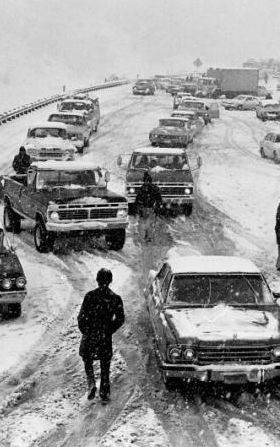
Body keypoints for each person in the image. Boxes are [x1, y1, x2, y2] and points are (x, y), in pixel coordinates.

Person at [78, 268, 125, 403]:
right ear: (110, 281)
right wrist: (109, 329)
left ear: (97, 280)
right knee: (105, 365)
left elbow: (81, 317)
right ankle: (104, 393)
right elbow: (120, 319)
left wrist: (86, 330)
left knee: (87, 360)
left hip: (90, 333)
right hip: (105, 336)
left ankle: (91, 383)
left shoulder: (89, 296)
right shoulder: (115, 298)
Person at [135, 172, 162, 241]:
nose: (146, 182)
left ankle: (149, 236)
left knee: (150, 223)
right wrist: (138, 207)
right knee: (144, 223)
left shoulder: (154, 189)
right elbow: (137, 199)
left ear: (150, 181)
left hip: (151, 208)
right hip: (144, 208)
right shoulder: (141, 189)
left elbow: (159, 198)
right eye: (145, 181)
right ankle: (147, 235)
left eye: (148, 181)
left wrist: (157, 206)